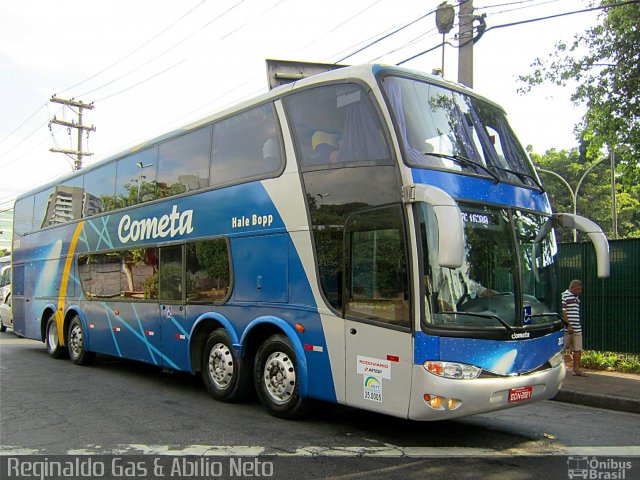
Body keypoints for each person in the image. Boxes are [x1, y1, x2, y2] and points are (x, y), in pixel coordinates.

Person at [562, 279, 586, 376]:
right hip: (568, 328)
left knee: (578, 349)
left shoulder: (576, 298)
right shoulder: (564, 296)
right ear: (572, 287)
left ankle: (576, 369)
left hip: (577, 327)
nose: (579, 291)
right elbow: (564, 311)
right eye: (578, 289)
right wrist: (568, 325)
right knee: (561, 349)